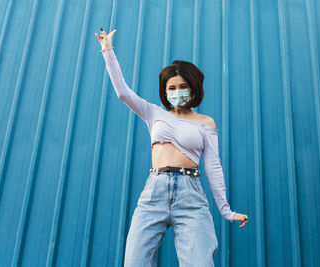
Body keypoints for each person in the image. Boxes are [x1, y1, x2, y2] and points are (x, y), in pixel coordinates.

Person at [95, 28, 248, 267]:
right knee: (135, 262)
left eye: (183, 87)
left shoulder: (205, 123)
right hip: (154, 192)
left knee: (200, 263)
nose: (177, 92)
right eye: (172, 88)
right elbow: (123, 93)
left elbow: (213, 167)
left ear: (194, 89)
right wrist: (107, 50)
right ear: (165, 91)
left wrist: (226, 210)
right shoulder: (152, 113)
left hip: (191, 195)